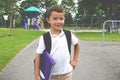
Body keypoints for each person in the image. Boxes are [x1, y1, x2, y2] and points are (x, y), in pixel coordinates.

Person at [35, 5, 80, 80]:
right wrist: (37, 75)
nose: (58, 22)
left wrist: (75, 60)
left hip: (67, 73)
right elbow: (38, 56)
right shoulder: (44, 38)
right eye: (55, 19)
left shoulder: (68, 34)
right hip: (51, 75)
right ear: (48, 20)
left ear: (64, 19)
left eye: (61, 19)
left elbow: (77, 45)